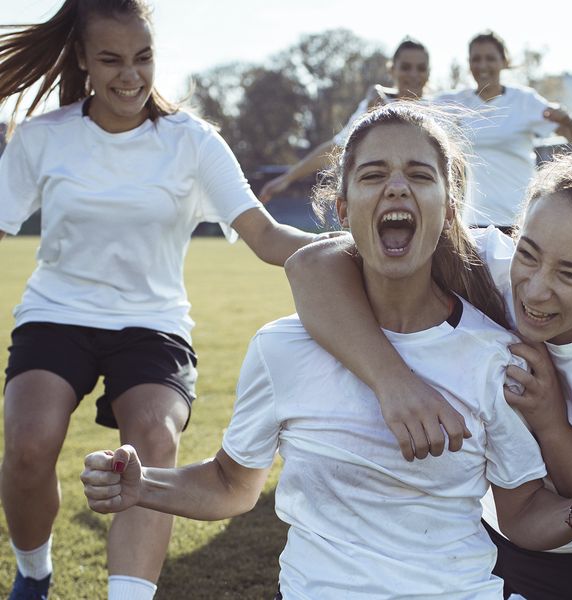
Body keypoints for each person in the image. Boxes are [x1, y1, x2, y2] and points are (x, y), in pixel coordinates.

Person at [82, 104, 572, 599]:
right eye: (374, 175)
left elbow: (519, 512)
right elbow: (230, 484)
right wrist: (143, 484)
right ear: (343, 213)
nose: (397, 188)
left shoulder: (495, 355)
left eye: (420, 175)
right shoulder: (282, 348)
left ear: (449, 209)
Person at [283, 147, 572, 598]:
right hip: (488, 538)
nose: (535, 290)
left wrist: (551, 422)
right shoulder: (483, 266)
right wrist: (392, 381)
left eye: (571, 275)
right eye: (529, 254)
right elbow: (311, 265)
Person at [0, 2, 316, 599]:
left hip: (151, 324)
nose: (130, 75)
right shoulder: (44, 137)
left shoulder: (193, 143)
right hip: (56, 313)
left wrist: (347, 250)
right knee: (29, 444)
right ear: (84, 63)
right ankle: (34, 573)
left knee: (152, 439)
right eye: (112, 60)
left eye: (142, 58)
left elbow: (267, 235)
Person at [435, 31, 572, 232]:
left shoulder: (524, 101)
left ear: (504, 61)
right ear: (469, 63)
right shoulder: (454, 102)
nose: (482, 65)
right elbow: (408, 104)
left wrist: (567, 118)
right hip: (468, 220)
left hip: (517, 218)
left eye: (490, 58)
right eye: (476, 59)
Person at [258, 37, 430, 203]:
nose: (414, 74)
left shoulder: (442, 108)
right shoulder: (373, 104)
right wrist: (287, 178)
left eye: (421, 68)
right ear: (392, 70)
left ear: (428, 73)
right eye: (406, 67)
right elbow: (338, 146)